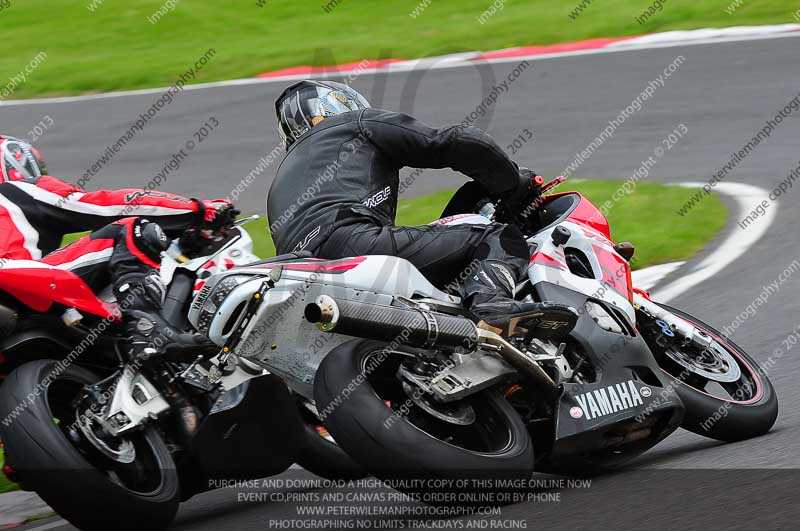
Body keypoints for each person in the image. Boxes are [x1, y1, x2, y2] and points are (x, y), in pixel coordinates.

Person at [268, 80, 577, 337]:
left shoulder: (280, 181)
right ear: (338, 104)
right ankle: (491, 302)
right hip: (353, 244)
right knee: (496, 238)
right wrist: (515, 185)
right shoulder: (354, 123)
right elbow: (457, 142)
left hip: (303, 276)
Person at [0, 135, 235, 359]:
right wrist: (200, 211)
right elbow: (109, 206)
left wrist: (181, 244)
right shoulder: (15, 192)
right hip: (15, 280)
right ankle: (147, 330)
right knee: (131, 229)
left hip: (20, 316)